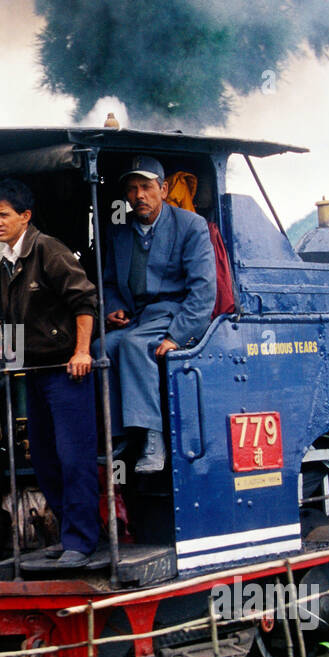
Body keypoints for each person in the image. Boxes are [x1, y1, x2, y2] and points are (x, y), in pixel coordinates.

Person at [0, 179, 101, 569]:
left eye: (3, 215)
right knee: (43, 458)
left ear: (25, 216)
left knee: (74, 458)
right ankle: (69, 534)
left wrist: (81, 351)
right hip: (34, 372)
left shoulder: (48, 250)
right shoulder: (8, 262)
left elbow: (84, 299)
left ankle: (81, 540)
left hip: (66, 371)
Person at [101, 155, 217, 473]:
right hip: (137, 317)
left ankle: (154, 440)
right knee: (102, 348)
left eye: (146, 187)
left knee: (135, 346)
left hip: (170, 314)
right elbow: (109, 281)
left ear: (163, 189)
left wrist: (177, 336)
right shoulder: (120, 233)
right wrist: (113, 307)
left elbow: (204, 290)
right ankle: (120, 436)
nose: (139, 195)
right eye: (132, 189)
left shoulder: (190, 226)